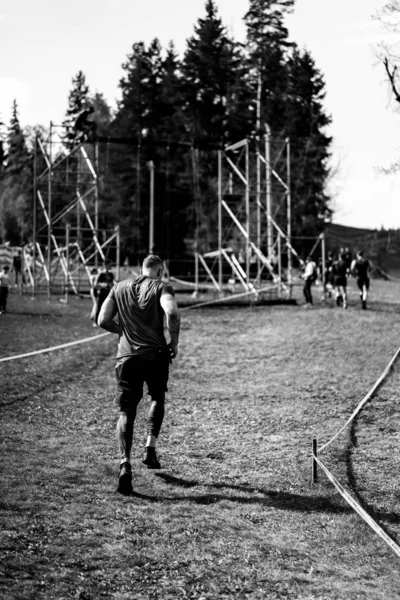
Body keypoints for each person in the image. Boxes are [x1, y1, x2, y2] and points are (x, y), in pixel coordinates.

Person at [97, 254, 180, 495]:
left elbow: (102, 319)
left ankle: (125, 465)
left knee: (126, 411)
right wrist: (173, 341)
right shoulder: (161, 286)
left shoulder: (119, 286)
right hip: (155, 354)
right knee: (157, 397)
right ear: (160, 271)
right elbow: (172, 313)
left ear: (141, 269)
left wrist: (122, 331)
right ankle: (149, 449)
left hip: (126, 358)